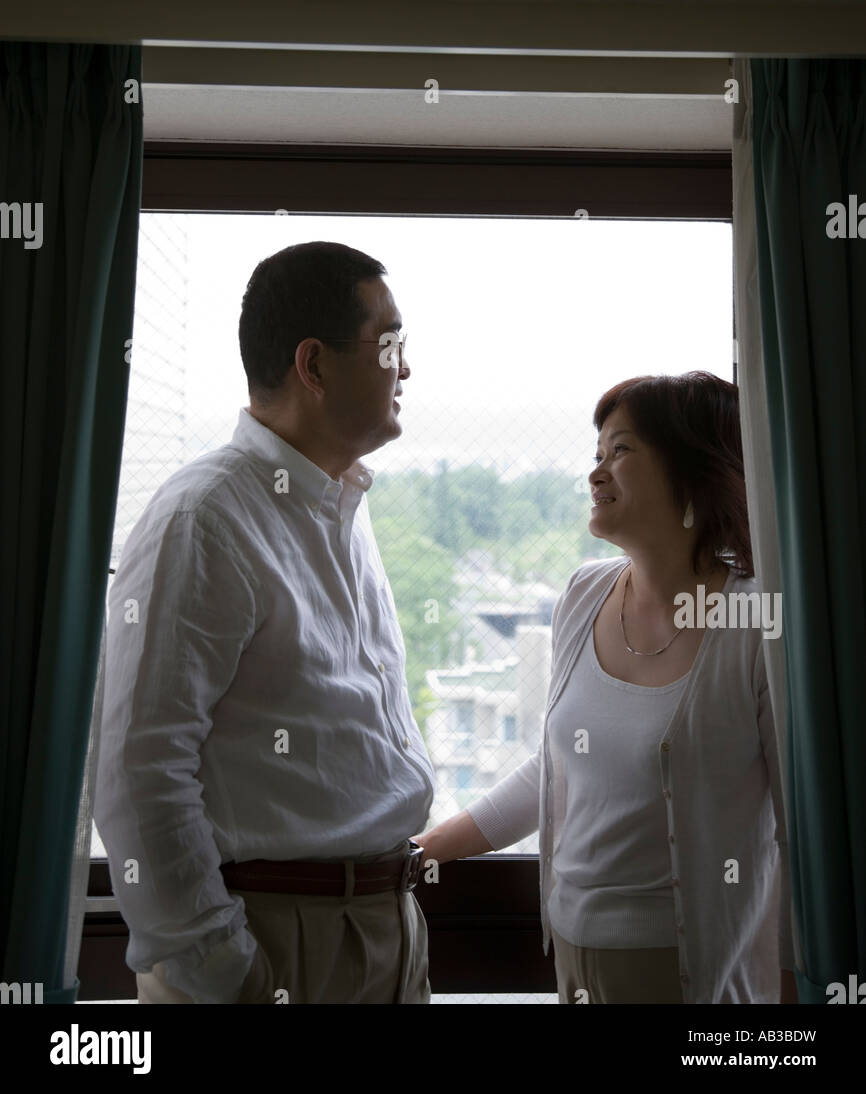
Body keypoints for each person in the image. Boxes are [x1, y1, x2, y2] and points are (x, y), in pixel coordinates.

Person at [93, 241, 433, 1004]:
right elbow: (137, 771)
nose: (405, 368)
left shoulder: (341, 506)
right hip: (280, 942)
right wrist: (226, 972)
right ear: (314, 366)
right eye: (390, 344)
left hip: (384, 931)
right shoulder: (204, 517)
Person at [415, 372, 797, 1004]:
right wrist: (422, 852)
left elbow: (795, 833)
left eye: (620, 451)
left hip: (690, 973)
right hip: (571, 955)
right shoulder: (583, 594)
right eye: (597, 454)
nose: (596, 473)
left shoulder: (755, 624)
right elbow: (558, 765)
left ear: (694, 473)